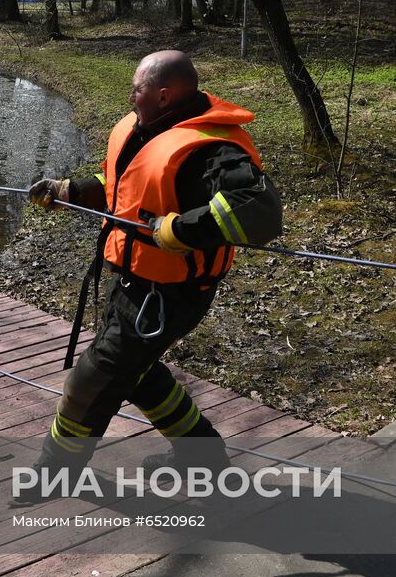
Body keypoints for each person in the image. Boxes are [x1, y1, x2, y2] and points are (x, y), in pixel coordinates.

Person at [24, 50, 283, 492]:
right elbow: (124, 189)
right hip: (129, 280)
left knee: (92, 379)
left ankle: (54, 473)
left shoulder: (212, 149)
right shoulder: (143, 128)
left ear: (164, 96)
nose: (130, 95)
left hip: (170, 294)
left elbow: (260, 212)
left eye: (137, 88)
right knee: (137, 373)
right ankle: (203, 457)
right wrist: (72, 190)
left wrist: (181, 229)